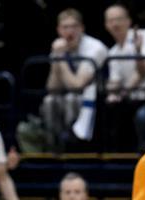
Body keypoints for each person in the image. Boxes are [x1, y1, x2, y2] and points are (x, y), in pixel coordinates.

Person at [41, 8, 108, 143]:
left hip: (96, 97)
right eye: (65, 27)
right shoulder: (58, 47)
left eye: (74, 27)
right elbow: (52, 88)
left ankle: (74, 145)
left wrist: (61, 59)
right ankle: (55, 146)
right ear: (59, 30)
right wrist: (56, 58)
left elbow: (77, 85)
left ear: (82, 28)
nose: (70, 31)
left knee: (72, 99)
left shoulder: (95, 48)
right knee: (49, 101)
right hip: (68, 95)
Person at [103, 3, 145, 151]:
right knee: (108, 109)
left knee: (140, 115)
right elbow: (115, 81)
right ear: (106, 25)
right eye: (111, 20)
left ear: (129, 21)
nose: (115, 23)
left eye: (119, 19)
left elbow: (144, 71)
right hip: (129, 98)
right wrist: (109, 90)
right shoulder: (112, 52)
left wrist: (138, 51)